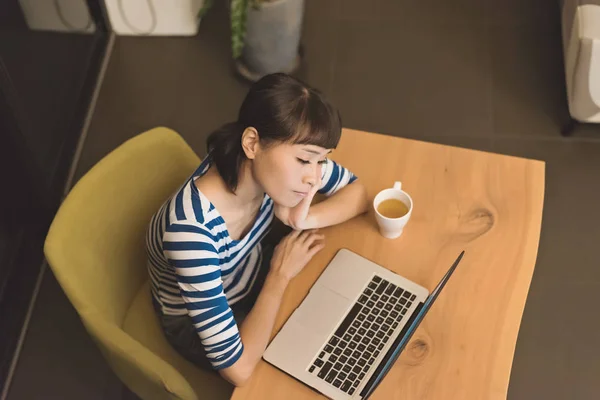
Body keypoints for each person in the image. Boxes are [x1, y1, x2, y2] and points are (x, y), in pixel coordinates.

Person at [146, 73, 368, 387]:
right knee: (293, 375)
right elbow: (239, 370)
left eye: (321, 161)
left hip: (247, 268)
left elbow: (358, 193)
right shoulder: (190, 234)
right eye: (305, 160)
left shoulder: (265, 167)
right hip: (194, 321)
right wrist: (279, 274)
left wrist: (302, 219)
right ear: (252, 143)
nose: (313, 178)